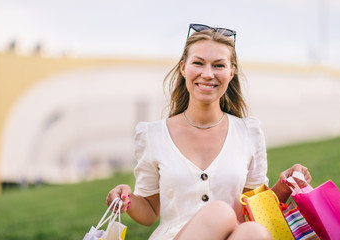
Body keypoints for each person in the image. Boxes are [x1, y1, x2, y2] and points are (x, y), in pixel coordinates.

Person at [106, 23, 312, 240]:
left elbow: (256, 210)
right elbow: (148, 212)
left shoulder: (248, 133)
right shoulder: (153, 134)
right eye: (198, 63)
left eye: (218, 66)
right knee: (220, 213)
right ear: (183, 68)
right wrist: (126, 199)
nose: (207, 74)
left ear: (231, 72)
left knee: (254, 232)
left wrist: (286, 186)